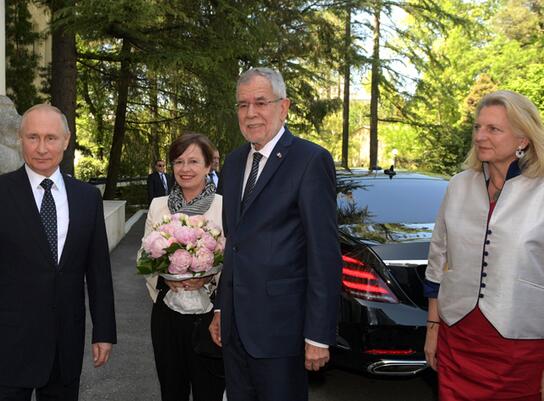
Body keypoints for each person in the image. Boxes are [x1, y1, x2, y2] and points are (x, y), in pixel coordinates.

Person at [209, 67, 342, 401]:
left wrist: (318, 334)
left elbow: (323, 253)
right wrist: (221, 309)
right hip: (235, 330)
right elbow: (234, 244)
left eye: (260, 102)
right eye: (242, 105)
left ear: (284, 107)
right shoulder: (234, 162)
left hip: (282, 333)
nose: (250, 113)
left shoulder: (310, 160)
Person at [424, 90, 544, 401]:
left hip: (520, 345)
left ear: (523, 139)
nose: (480, 136)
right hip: (458, 337)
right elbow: (438, 259)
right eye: (478, 127)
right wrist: (433, 327)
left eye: (493, 129)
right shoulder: (458, 185)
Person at [0, 104, 117, 401]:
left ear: (66, 141)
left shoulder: (87, 197)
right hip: (8, 345)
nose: (42, 148)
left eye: (51, 138)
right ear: (20, 139)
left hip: (65, 345)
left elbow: (99, 271)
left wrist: (103, 331)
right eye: (33, 137)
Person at [142, 133, 225, 401]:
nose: (185, 168)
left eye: (193, 161)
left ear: (208, 166)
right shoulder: (158, 205)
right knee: (171, 390)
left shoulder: (224, 206)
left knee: (209, 392)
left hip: (210, 315)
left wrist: (209, 279)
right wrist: (165, 279)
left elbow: (235, 260)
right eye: (178, 162)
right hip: (167, 313)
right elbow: (143, 257)